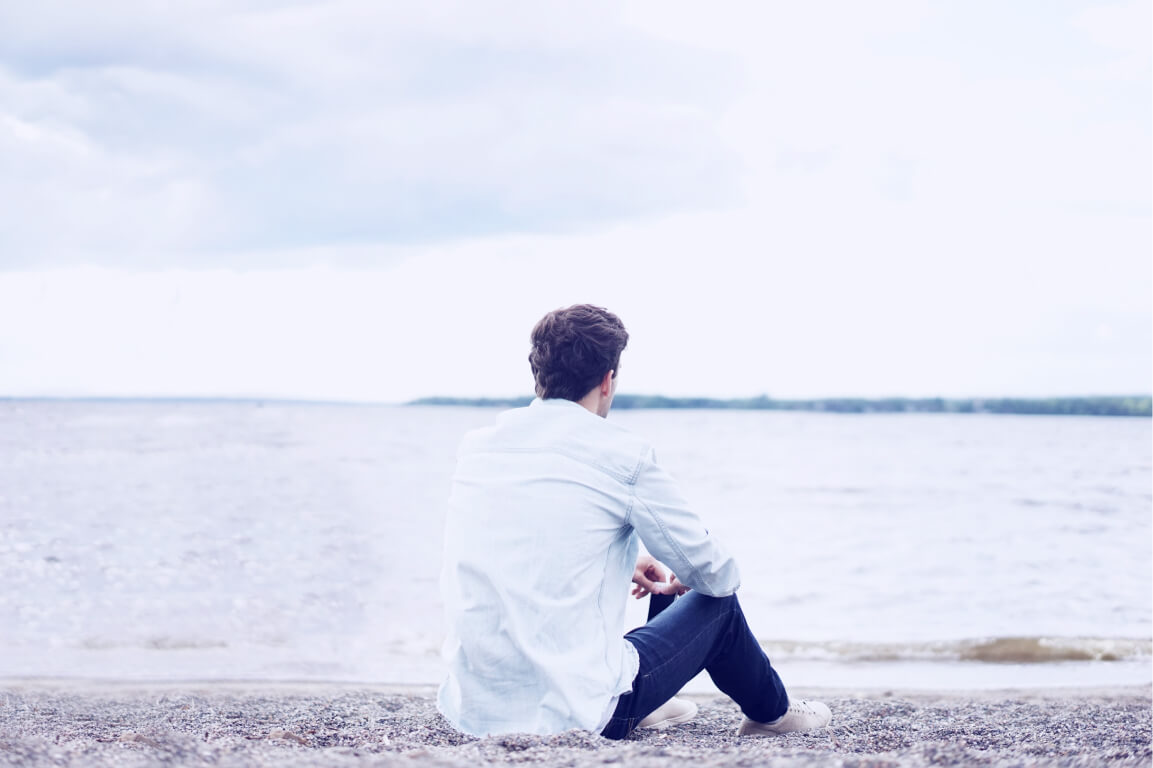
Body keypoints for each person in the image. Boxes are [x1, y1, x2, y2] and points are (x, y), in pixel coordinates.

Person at [437, 304, 831, 740]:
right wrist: (687, 571)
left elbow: (517, 548)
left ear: (538, 375)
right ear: (608, 380)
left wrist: (623, 561)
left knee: (668, 580)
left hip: (474, 708)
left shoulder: (479, 448)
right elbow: (718, 574)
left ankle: (653, 700)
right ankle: (772, 714)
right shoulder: (621, 455)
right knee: (718, 606)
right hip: (580, 713)